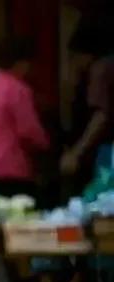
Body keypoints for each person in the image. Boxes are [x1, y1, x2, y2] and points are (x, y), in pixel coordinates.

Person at [0, 35, 49, 198]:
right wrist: (46, 144)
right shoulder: (18, 89)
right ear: (21, 63)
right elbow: (29, 131)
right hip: (11, 169)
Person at [60, 18, 114, 188]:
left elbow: (101, 115)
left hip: (104, 152)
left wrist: (76, 153)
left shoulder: (100, 69)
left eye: (74, 56)